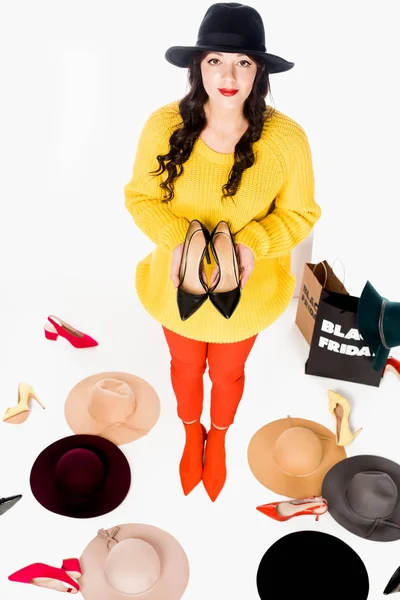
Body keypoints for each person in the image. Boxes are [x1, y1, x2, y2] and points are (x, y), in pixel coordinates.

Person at [124, 2, 321, 501]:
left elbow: (301, 213)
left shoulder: (287, 139)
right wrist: (176, 240)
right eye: (215, 60)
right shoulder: (163, 125)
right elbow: (140, 197)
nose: (229, 76)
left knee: (228, 370)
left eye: (243, 63)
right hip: (177, 282)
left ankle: (222, 435)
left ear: (259, 71)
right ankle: (192, 434)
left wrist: (253, 244)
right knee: (185, 366)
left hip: (248, 289)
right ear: (198, 66)